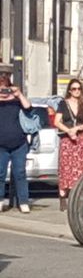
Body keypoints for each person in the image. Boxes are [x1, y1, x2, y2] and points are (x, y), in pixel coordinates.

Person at [55, 79, 83, 210]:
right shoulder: (63, 104)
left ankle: (79, 194)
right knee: (67, 167)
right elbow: (57, 121)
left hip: (82, 138)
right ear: (69, 91)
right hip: (67, 139)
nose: (76, 91)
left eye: (78, 89)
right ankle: (63, 194)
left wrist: (77, 129)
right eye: (74, 89)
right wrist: (69, 131)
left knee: (82, 167)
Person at [0, 73, 33, 213]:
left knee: (20, 173)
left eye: (6, 88)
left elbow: (28, 107)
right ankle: (1, 200)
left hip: (19, 143)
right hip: (1, 145)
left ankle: (23, 201)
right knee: (0, 174)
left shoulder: (16, 100)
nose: (4, 91)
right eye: (1, 88)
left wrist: (18, 94)